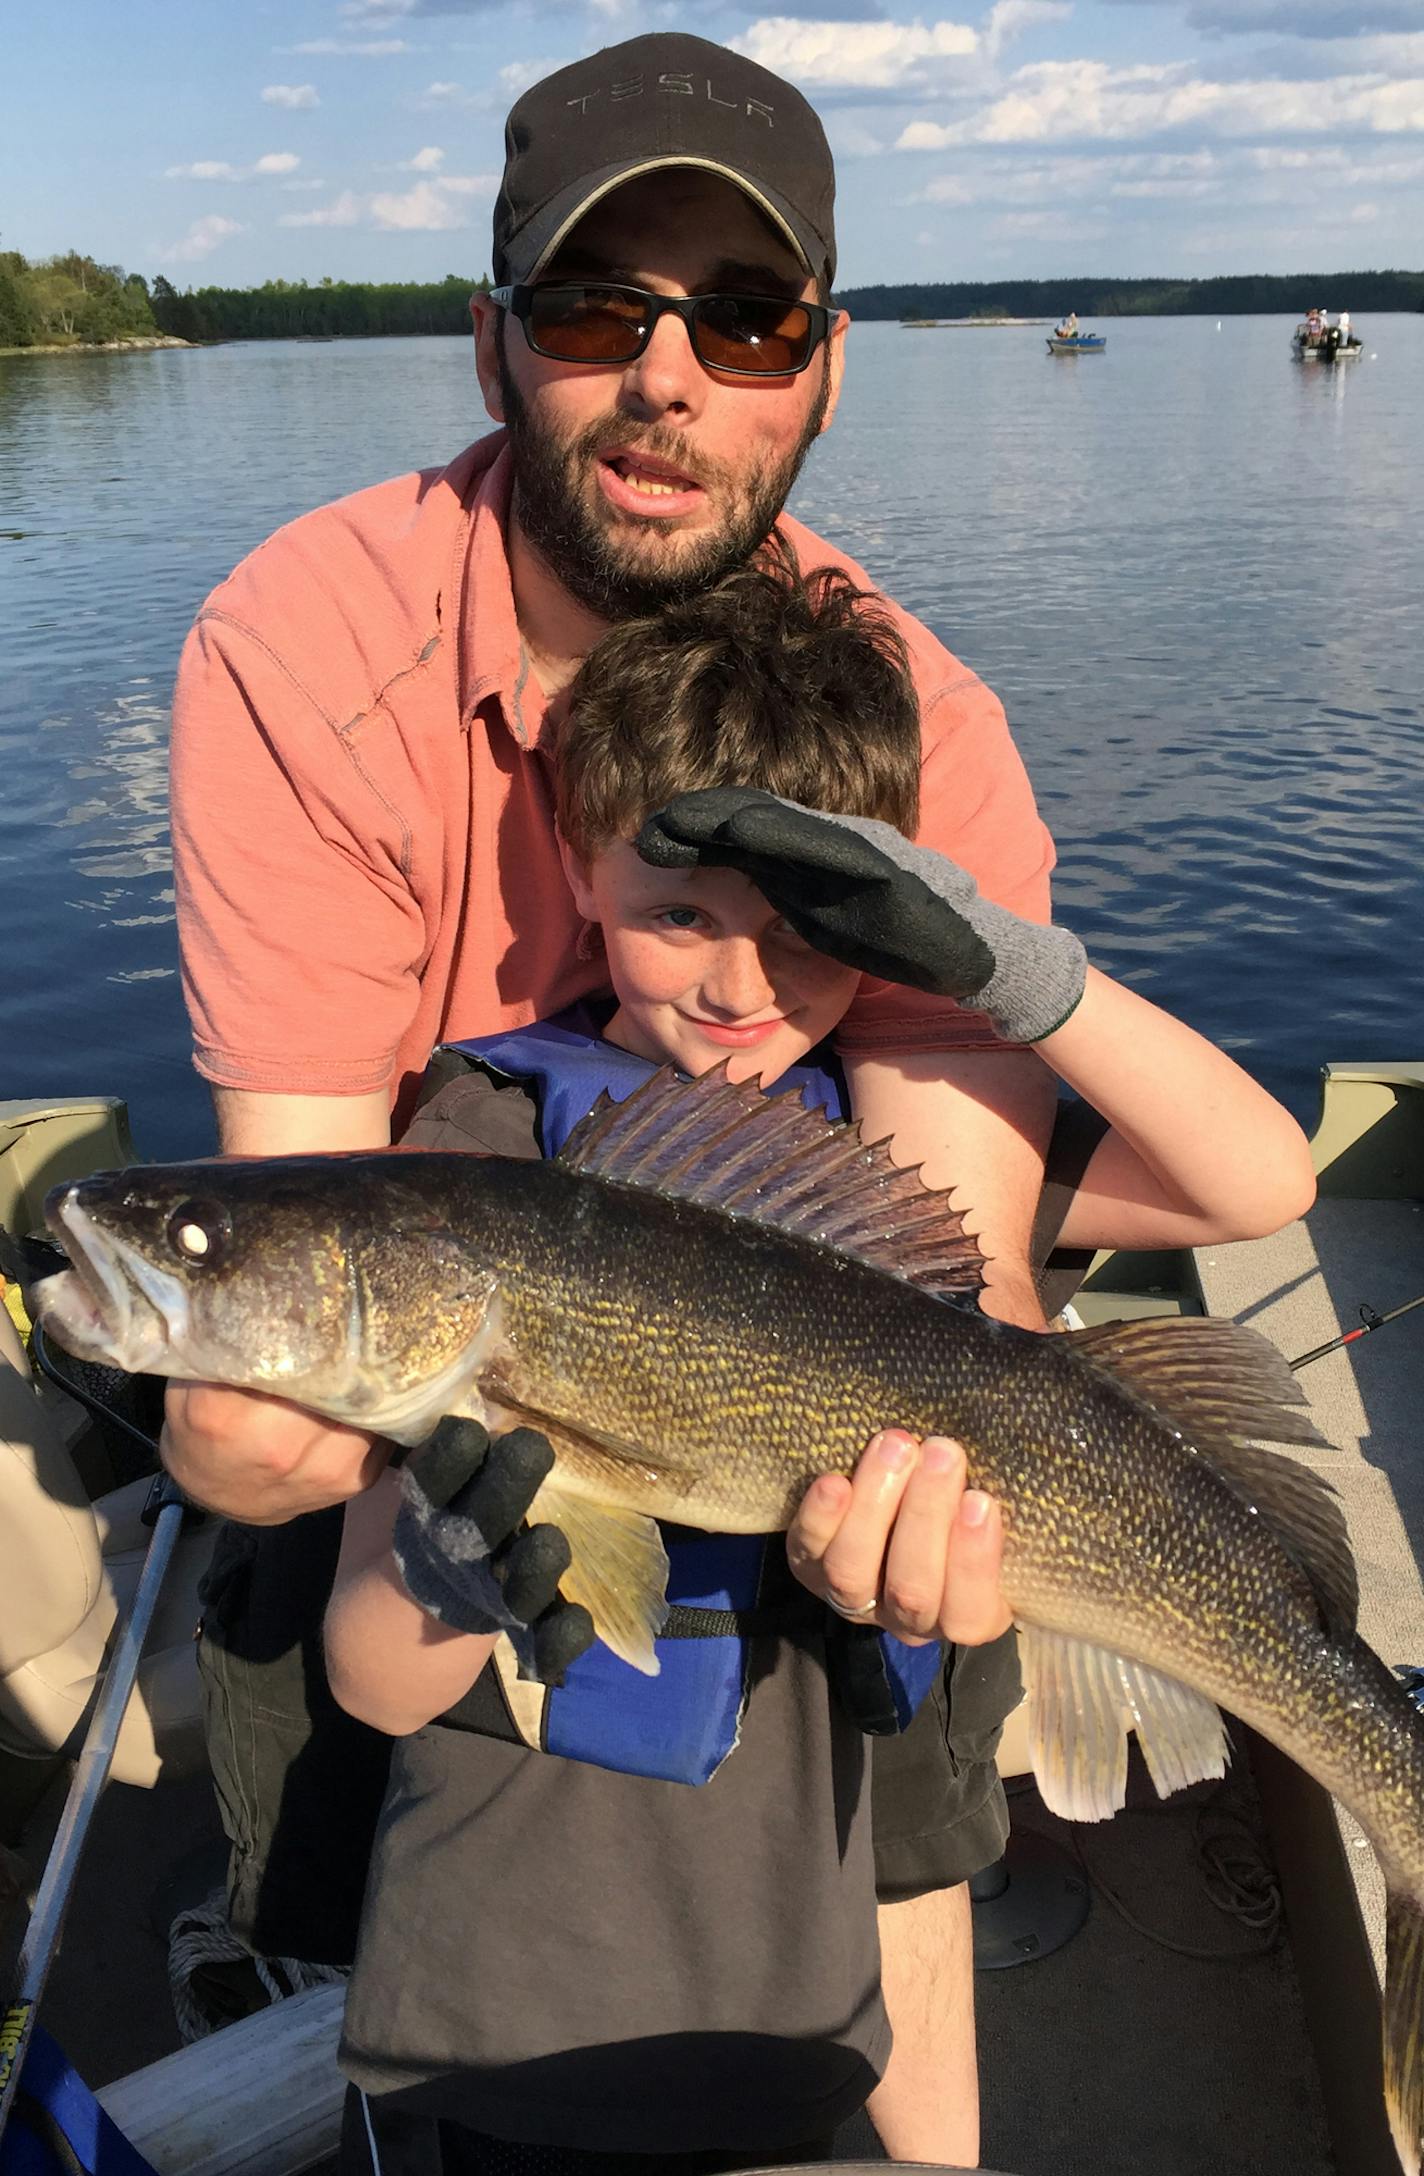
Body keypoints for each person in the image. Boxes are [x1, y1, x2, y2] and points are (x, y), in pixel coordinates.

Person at [160, 27, 1311, 2167]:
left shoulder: (907, 720)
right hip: (465, 1303)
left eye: (748, 315)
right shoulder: (304, 647)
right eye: (598, 307)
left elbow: (945, 1273)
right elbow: (271, 1313)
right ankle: (331, 1947)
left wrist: (956, 1554)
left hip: (758, 1373)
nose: (670, 375)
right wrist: (309, 1482)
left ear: (827, 366)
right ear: (492, 345)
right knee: (266, 1524)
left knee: (933, 1625)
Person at [322, 549, 1315, 2171]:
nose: (738, 983)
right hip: (554, 1912)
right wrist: (450, 1551)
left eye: (808, 930)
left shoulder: (913, 1151)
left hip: (852, 1814)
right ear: (579, 870)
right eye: (676, 915)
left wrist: (999, 964)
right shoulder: (484, 1159)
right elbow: (372, 1680)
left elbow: (1258, 1181)